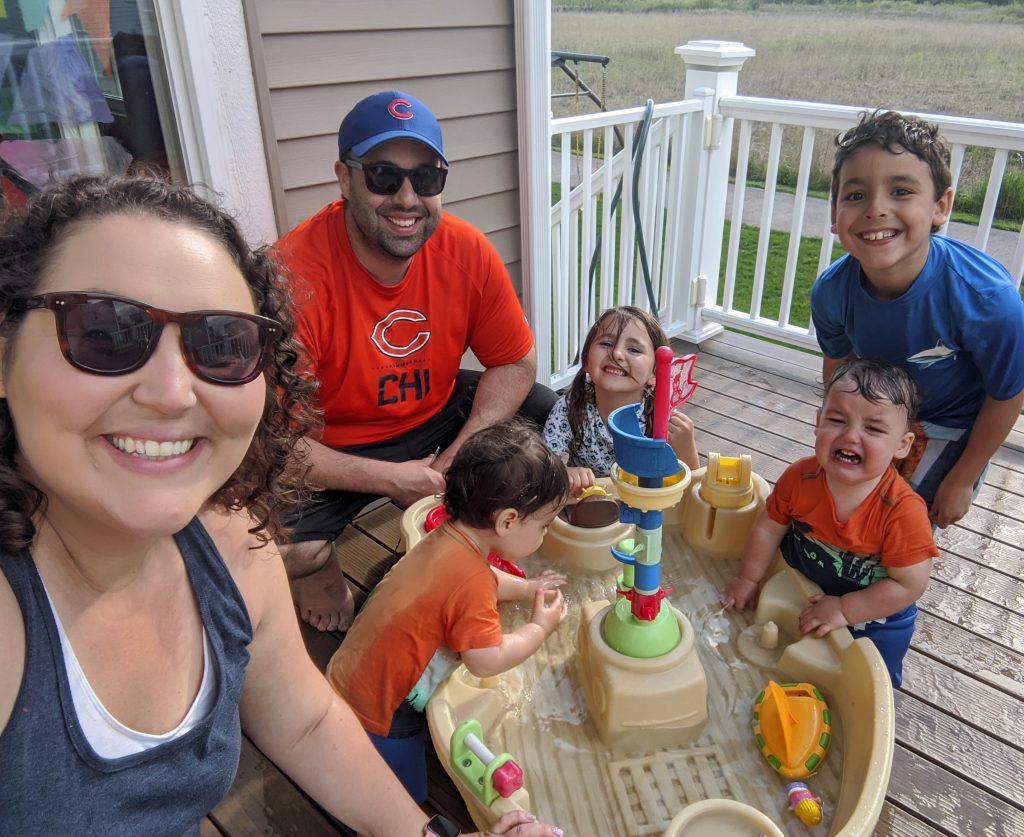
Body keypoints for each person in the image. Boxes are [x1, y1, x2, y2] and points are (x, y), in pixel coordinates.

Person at [0, 175, 562, 837]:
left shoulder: (232, 540)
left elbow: (307, 718)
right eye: (104, 330)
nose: (172, 390)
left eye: (221, 344)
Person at [275, 90, 557, 632]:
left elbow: (516, 362)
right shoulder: (290, 277)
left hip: (438, 411)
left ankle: (510, 539)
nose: (407, 197)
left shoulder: (467, 249)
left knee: (546, 413)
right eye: (383, 176)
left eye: (426, 179)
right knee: (284, 549)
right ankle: (321, 571)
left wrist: (463, 446)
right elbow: (273, 444)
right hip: (333, 442)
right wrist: (387, 478)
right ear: (344, 177)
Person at [327, 419, 570, 802]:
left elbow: (483, 578)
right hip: (383, 711)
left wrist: (526, 588)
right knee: (405, 798)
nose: (545, 535)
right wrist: (540, 628)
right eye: (542, 526)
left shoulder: (449, 538)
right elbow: (485, 661)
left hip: (351, 671)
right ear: (507, 521)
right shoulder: (470, 581)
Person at [811, 109, 1024, 530]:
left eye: (902, 191)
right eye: (855, 196)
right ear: (835, 215)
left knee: (906, 524)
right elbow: (837, 366)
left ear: (940, 206)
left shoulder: (987, 302)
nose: (876, 209)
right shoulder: (832, 292)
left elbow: (1007, 395)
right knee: (847, 509)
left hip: (952, 426)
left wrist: (962, 477)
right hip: (877, 415)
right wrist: (832, 426)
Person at [723, 358, 937, 687]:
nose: (851, 436)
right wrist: (748, 579)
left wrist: (847, 610)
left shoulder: (902, 512)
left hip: (876, 618)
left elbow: (909, 585)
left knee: (864, 684)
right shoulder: (799, 478)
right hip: (803, 589)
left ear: (902, 445)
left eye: (874, 428)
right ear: (818, 421)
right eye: (837, 420)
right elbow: (769, 527)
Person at [543, 305, 699, 496]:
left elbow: (691, 488)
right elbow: (545, 467)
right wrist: (564, 474)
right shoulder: (571, 407)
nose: (616, 353)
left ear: (654, 374)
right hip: (588, 508)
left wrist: (686, 449)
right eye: (606, 344)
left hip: (646, 509)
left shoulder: (664, 421)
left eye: (633, 349)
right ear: (586, 361)